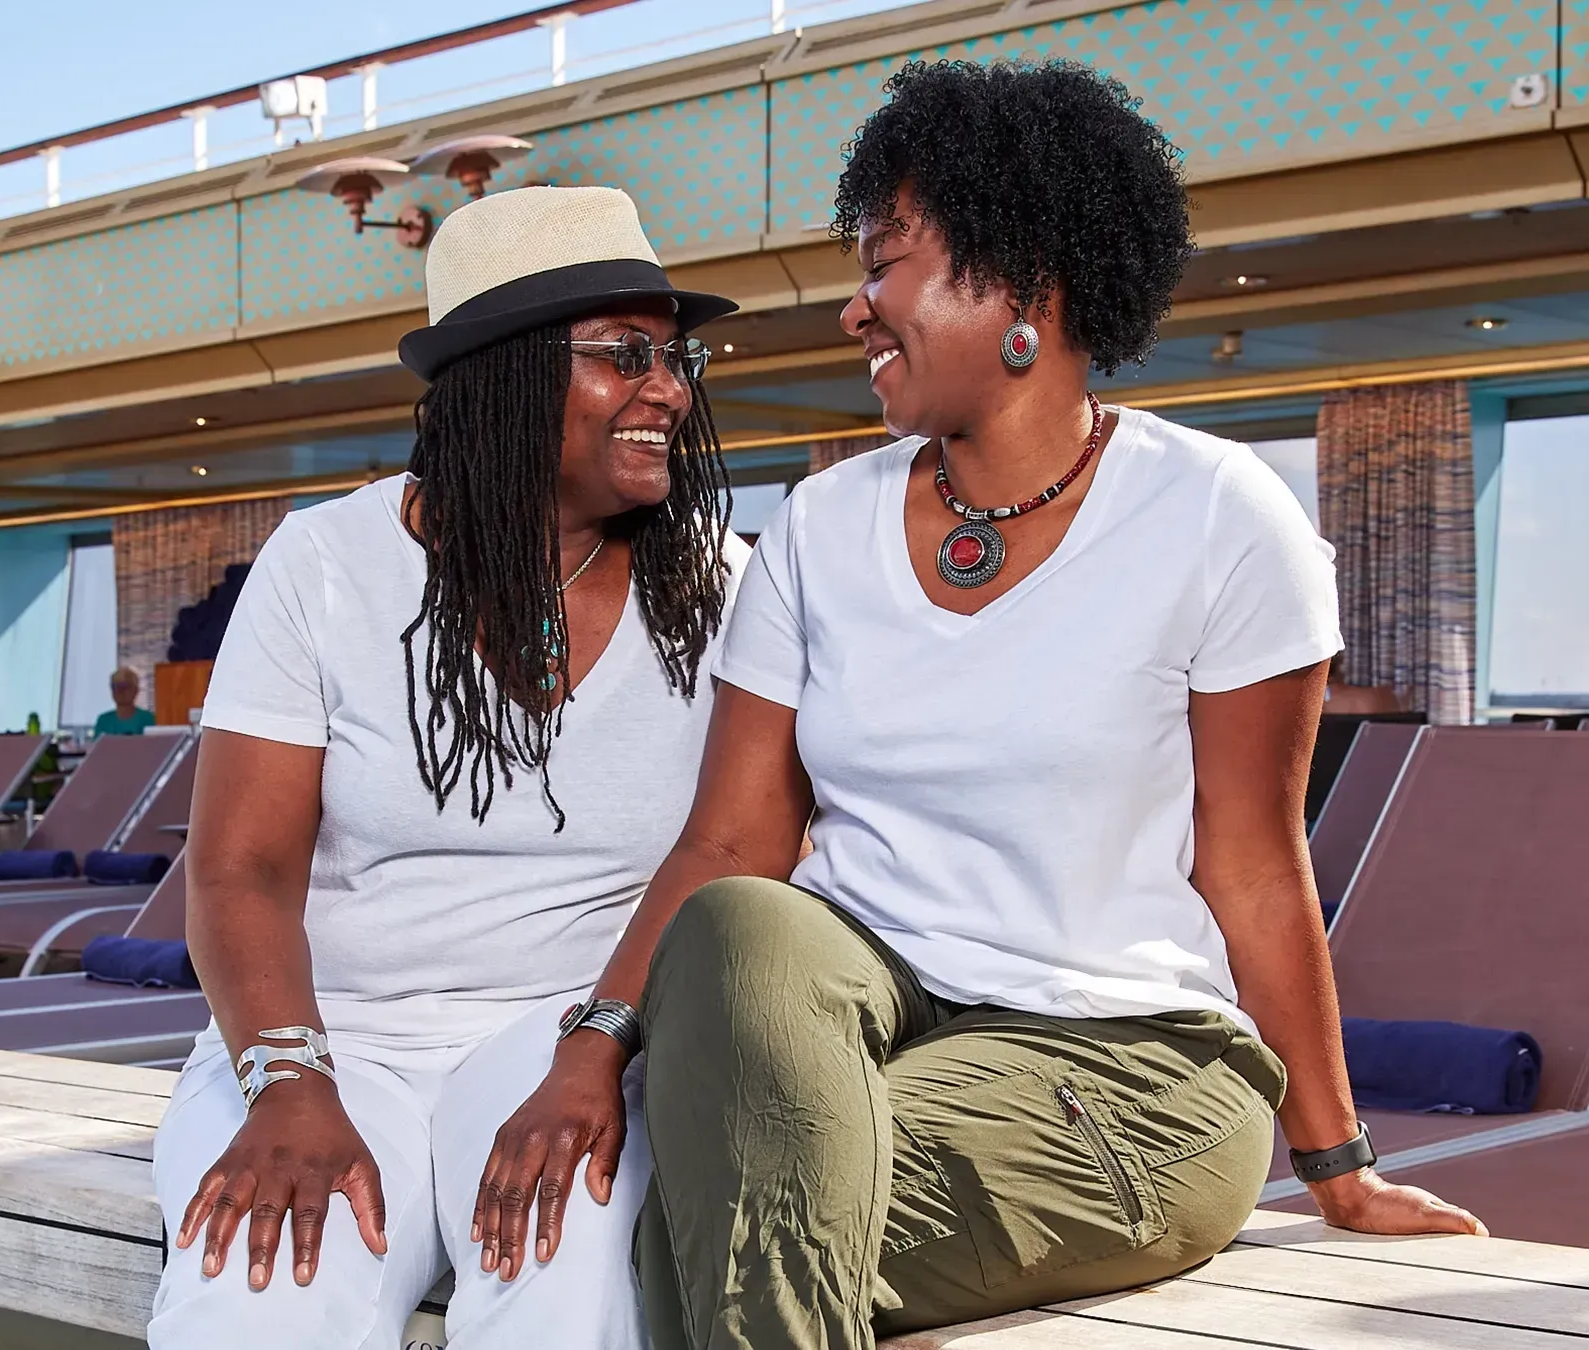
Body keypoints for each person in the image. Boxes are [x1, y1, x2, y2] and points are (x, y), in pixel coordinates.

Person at [473, 61, 1485, 1349]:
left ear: (1019, 281)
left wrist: (1336, 1162)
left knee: (707, 1245)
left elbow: (1255, 864)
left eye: (885, 261)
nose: (855, 308)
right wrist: (590, 1047)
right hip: (860, 1033)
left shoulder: (1220, 517)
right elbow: (730, 844)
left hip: (1126, 1071)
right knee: (737, 926)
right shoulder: (819, 528)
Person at [147, 186, 745, 1350]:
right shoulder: (327, 564)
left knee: (566, 1284)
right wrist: (289, 1082)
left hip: (577, 1036)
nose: (670, 390)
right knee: (263, 1293)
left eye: (679, 358)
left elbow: (728, 847)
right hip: (327, 1030)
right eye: (627, 356)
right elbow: (237, 871)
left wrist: (597, 1045)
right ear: (506, 374)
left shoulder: (718, 585)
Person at [93, 666, 156, 736]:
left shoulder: (147, 719)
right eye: (115, 687)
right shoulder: (103, 720)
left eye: (124, 686)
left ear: (135, 690)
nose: (119, 691)